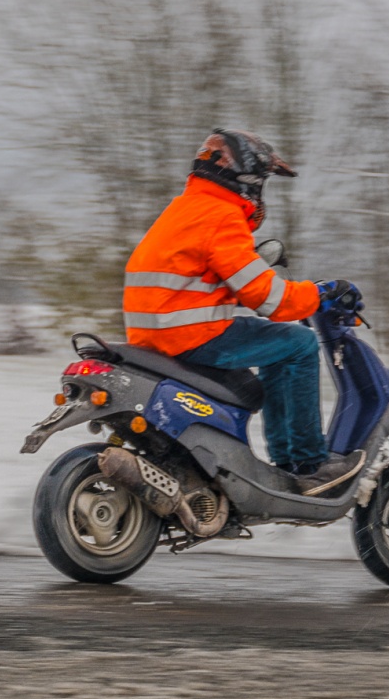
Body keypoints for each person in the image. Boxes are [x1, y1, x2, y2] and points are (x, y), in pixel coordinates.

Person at [123, 128, 365, 496]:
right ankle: (306, 463)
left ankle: (285, 462)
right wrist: (321, 292)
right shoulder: (222, 215)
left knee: (275, 347)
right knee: (299, 343)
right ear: (246, 178)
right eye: (262, 181)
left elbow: (196, 283)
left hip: (154, 333)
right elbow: (269, 298)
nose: (260, 191)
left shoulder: (183, 209)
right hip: (190, 335)